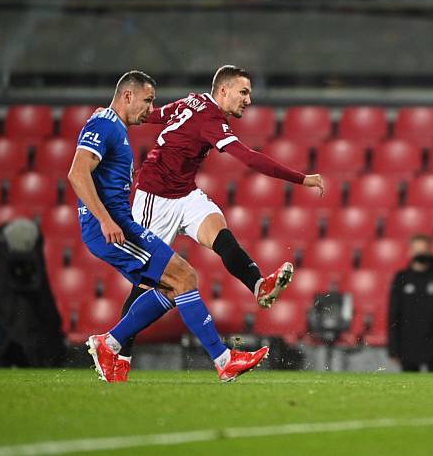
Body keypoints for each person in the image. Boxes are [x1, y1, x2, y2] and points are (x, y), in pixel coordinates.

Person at [113, 65, 324, 381]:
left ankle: (258, 285)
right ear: (222, 90)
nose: (248, 100)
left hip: (185, 193)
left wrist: (128, 119)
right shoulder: (209, 119)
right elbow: (249, 158)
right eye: (244, 92)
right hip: (154, 199)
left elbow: (157, 115)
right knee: (147, 282)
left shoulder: (192, 102)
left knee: (220, 233)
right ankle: (118, 355)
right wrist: (302, 178)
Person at [68, 70, 268, 383]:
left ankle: (110, 344)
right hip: (109, 226)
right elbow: (77, 174)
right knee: (185, 277)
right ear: (128, 96)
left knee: (173, 286)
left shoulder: (114, 126)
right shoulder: (104, 124)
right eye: (147, 101)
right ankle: (223, 360)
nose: (151, 109)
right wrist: (105, 219)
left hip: (121, 223)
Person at [388, 234, 433, 372]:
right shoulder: (401, 278)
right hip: (407, 346)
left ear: (429, 252)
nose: (420, 254)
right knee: (408, 390)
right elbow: (393, 315)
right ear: (410, 252)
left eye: (423, 250)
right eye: (417, 250)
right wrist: (393, 349)